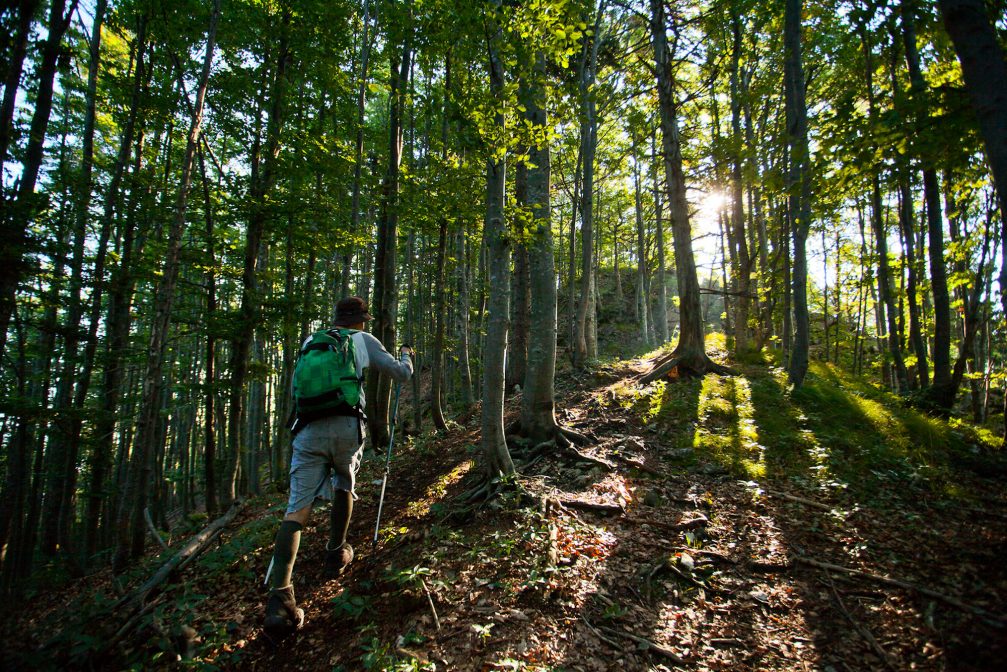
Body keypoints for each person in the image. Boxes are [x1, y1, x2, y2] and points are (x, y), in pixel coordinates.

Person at [263, 296, 413, 637]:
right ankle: (335, 552)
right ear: (362, 319)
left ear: (336, 318)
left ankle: (280, 600)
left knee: (296, 511)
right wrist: (407, 355)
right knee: (345, 482)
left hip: (307, 429)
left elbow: (295, 389)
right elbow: (401, 375)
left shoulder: (310, 342)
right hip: (347, 426)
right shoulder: (363, 340)